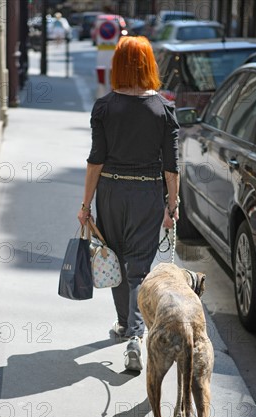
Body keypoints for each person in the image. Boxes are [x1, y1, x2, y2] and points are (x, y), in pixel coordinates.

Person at [77, 36, 180, 372]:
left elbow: (95, 160)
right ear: (149, 64)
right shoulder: (164, 109)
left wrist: (85, 204)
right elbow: (171, 166)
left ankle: (127, 327)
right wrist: (172, 205)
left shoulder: (105, 107)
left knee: (115, 259)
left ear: (117, 66)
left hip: (111, 193)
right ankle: (134, 334)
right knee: (138, 266)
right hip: (148, 196)